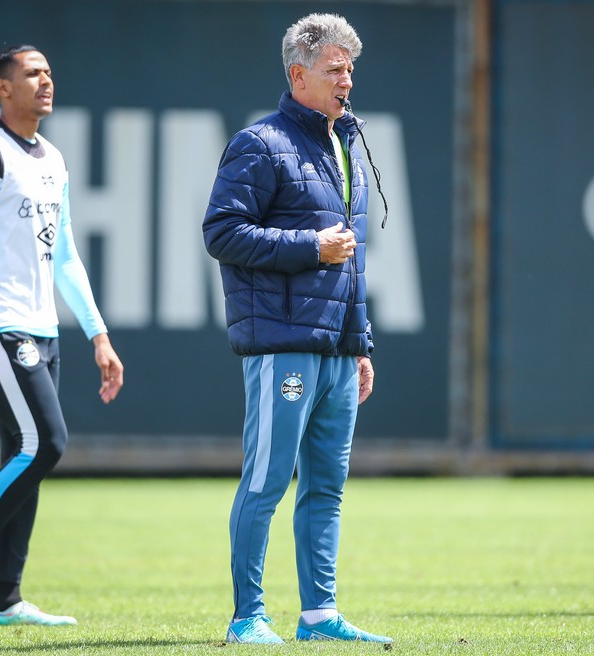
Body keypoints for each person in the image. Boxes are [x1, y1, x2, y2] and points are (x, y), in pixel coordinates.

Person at [203, 13, 391, 645]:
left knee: (327, 488)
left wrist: (359, 343)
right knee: (267, 479)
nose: (347, 81)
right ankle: (247, 617)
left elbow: (353, 259)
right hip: (282, 343)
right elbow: (221, 232)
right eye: (335, 70)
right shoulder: (260, 143)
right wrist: (309, 246)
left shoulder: (345, 143)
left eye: (351, 70)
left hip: (337, 347)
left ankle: (319, 615)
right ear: (298, 74)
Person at [0, 44, 124, 626]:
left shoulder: (53, 159)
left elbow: (63, 254)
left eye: (49, 72)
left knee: (24, 455)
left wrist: (98, 334)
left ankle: (6, 595)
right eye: (32, 73)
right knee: (46, 444)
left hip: (44, 327)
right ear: (3, 88)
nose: (46, 81)